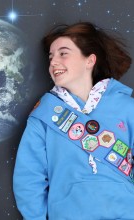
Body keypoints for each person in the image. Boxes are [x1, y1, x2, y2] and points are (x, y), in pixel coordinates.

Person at [13, 21, 134, 219]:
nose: (53, 62)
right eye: (51, 56)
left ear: (89, 61)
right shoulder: (44, 115)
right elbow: (28, 178)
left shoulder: (127, 108)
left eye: (63, 53)